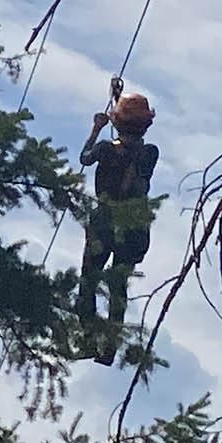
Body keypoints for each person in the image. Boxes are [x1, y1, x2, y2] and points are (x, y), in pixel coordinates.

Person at [76, 92, 159, 365]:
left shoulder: (105, 148)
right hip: (133, 226)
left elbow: (84, 158)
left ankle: (88, 339)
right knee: (117, 286)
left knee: (88, 280)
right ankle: (109, 347)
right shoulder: (149, 153)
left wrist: (97, 128)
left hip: (104, 221)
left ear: (118, 123)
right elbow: (131, 149)